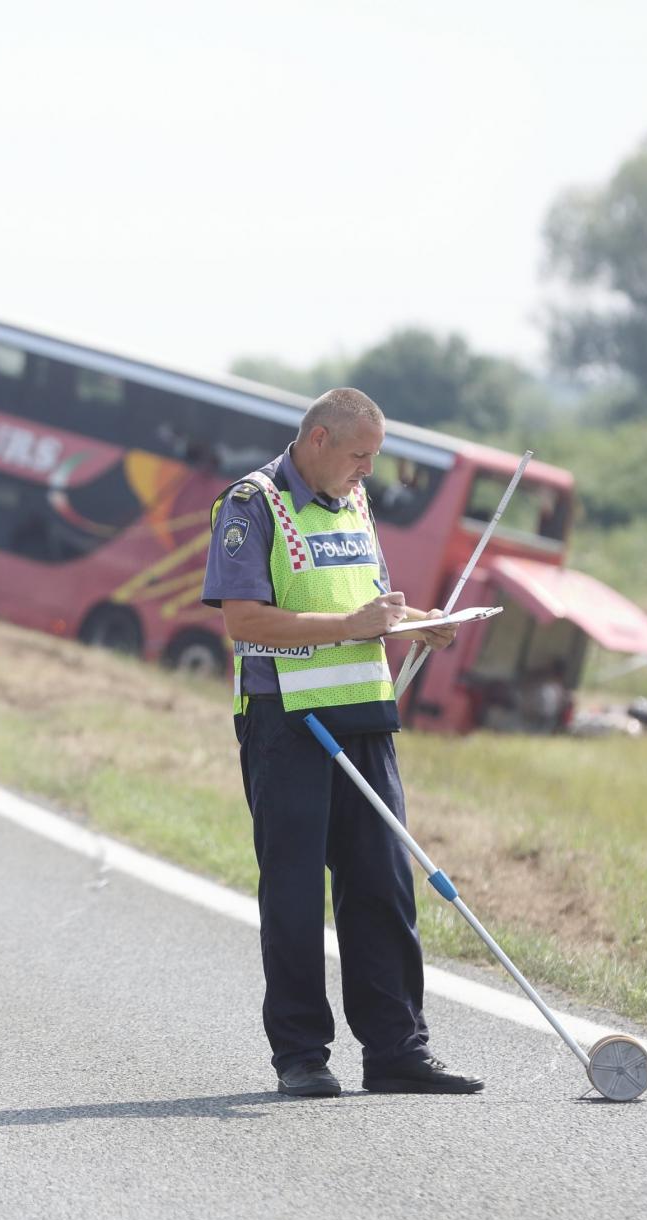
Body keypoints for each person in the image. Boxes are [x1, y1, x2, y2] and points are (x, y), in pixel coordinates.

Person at [200, 388, 481, 1100]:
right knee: (294, 895)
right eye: (359, 456)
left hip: (364, 717)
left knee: (384, 887)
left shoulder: (354, 503)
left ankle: (396, 1052)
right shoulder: (251, 503)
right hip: (287, 723)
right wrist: (355, 626)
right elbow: (245, 621)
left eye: (373, 459)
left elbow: (368, 609)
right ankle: (301, 1054)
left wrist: (419, 623)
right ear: (318, 439)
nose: (368, 472)